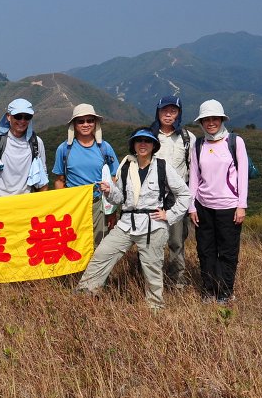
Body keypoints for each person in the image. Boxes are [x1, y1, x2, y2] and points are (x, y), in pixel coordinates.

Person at [77, 128, 190, 310]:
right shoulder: (127, 167)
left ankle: (155, 308)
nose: (143, 144)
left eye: (147, 141)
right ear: (133, 145)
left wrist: (169, 215)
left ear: (154, 145)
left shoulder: (162, 166)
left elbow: (184, 194)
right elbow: (120, 198)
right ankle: (84, 295)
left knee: (152, 270)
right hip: (126, 223)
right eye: (139, 141)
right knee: (102, 254)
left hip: (153, 225)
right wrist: (109, 191)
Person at [189, 100, 248, 305]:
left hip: (229, 207)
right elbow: (194, 178)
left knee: (228, 251)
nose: (211, 123)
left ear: (222, 119)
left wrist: (242, 205)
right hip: (203, 206)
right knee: (205, 250)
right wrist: (191, 206)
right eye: (206, 119)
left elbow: (243, 176)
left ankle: (225, 291)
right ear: (202, 122)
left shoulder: (234, 142)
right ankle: (209, 289)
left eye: (215, 118)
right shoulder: (198, 145)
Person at [53, 103, 119, 247]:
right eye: (80, 121)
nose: (86, 124)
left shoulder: (104, 148)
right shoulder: (64, 149)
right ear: (74, 124)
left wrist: (112, 209)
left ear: (95, 123)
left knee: (99, 245)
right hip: (74, 204)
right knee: (75, 244)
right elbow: (59, 180)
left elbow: (114, 178)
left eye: (90, 120)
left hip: (98, 204)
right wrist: (62, 205)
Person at [149, 96, 196, 288]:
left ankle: (177, 282)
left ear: (179, 113)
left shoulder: (187, 138)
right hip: (152, 197)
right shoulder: (149, 136)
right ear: (158, 112)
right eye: (164, 110)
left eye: (173, 111)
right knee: (150, 241)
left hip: (177, 198)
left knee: (176, 241)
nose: (168, 114)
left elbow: (194, 171)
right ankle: (151, 280)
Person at [0, 98, 48, 198]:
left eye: (27, 117)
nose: (22, 121)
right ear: (8, 117)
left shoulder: (37, 143)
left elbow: (43, 177)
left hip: (25, 203)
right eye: (18, 116)